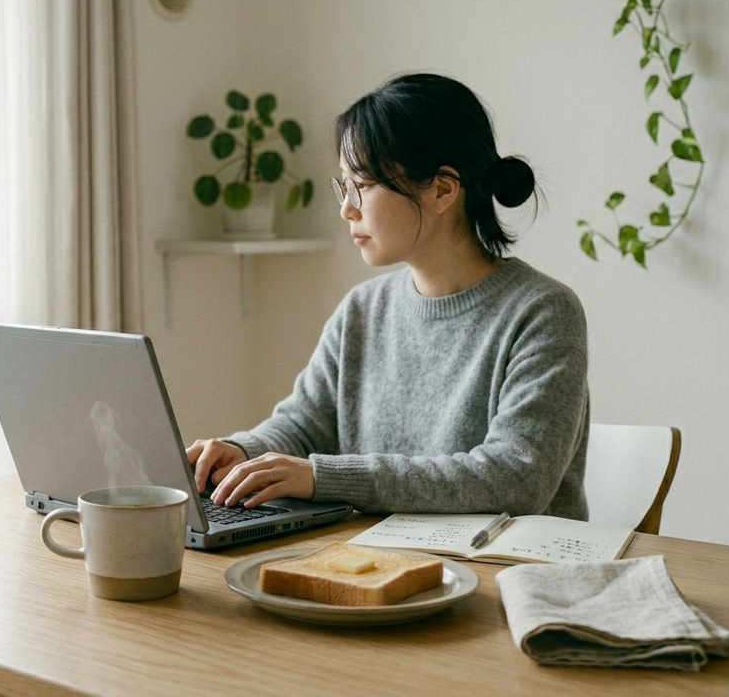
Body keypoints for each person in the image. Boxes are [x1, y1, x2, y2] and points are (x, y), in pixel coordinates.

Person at [185, 73, 589, 518]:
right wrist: (242, 451)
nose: (346, 208)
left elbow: (515, 478)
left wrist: (323, 477)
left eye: (362, 184)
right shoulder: (362, 309)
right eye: (344, 184)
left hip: (508, 573)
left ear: (442, 190)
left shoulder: (543, 313)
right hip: (379, 560)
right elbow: (302, 426)